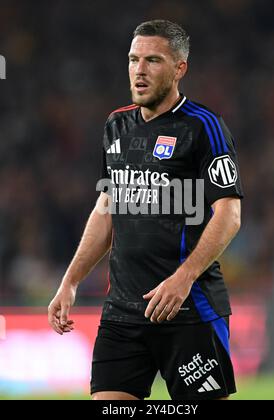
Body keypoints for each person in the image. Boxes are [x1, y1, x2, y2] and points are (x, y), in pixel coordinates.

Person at [48, 19, 243, 401]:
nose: (139, 70)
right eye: (133, 59)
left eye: (153, 60)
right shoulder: (116, 125)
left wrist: (183, 278)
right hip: (122, 313)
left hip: (189, 311)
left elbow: (229, 215)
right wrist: (70, 281)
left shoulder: (204, 127)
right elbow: (106, 208)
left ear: (179, 68)